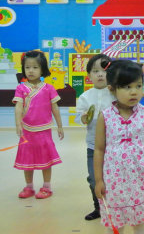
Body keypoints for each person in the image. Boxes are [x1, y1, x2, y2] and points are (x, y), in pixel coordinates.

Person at [94, 60, 144, 234]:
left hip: (139, 178)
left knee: (140, 221)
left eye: (138, 86)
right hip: (114, 180)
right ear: (112, 89)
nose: (134, 92)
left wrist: (141, 147)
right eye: (127, 87)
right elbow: (99, 149)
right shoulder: (105, 116)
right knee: (115, 223)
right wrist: (99, 180)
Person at [13, 50, 64, 199]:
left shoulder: (49, 88)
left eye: (35, 67)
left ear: (42, 69)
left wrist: (60, 126)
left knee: (45, 159)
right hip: (26, 131)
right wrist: (18, 124)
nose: (31, 70)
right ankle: (29, 187)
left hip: (44, 130)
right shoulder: (21, 88)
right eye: (27, 67)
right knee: (27, 159)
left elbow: (55, 108)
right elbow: (18, 107)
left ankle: (46, 187)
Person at [76, 53, 112, 221]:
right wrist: (84, 117)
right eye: (95, 71)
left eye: (104, 71)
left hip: (115, 146)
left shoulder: (116, 93)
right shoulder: (85, 96)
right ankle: (98, 207)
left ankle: (115, 206)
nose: (100, 74)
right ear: (89, 75)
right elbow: (80, 118)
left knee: (113, 178)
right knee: (93, 178)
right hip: (93, 146)